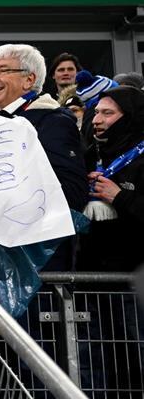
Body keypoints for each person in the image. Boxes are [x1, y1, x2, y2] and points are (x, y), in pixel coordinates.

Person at [0, 44, 88, 268]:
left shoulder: (53, 122)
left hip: (36, 260)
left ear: (29, 80)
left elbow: (72, 192)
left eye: (2, 70)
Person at [80, 86, 144, 273]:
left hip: (135, 273)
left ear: (131, 116)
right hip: (92, 269)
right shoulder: (91, 153)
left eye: (107, 113)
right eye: (96, 112)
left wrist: (119, 197)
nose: (97, 120)